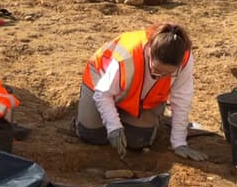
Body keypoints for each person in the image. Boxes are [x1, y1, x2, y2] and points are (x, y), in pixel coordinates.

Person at [75, 23, 208, 161]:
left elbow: (182, 100)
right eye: (156, 70)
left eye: (168, 73)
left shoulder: (184, 59)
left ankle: (125, 115)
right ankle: (85, 116)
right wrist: (114, 126)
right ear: (149, 52)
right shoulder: (127, 57)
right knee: (93, 134)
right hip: (101, 81)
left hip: (141, 97)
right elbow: (103, 93)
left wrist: (179, 142)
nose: (160, 76)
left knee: (138, 140)